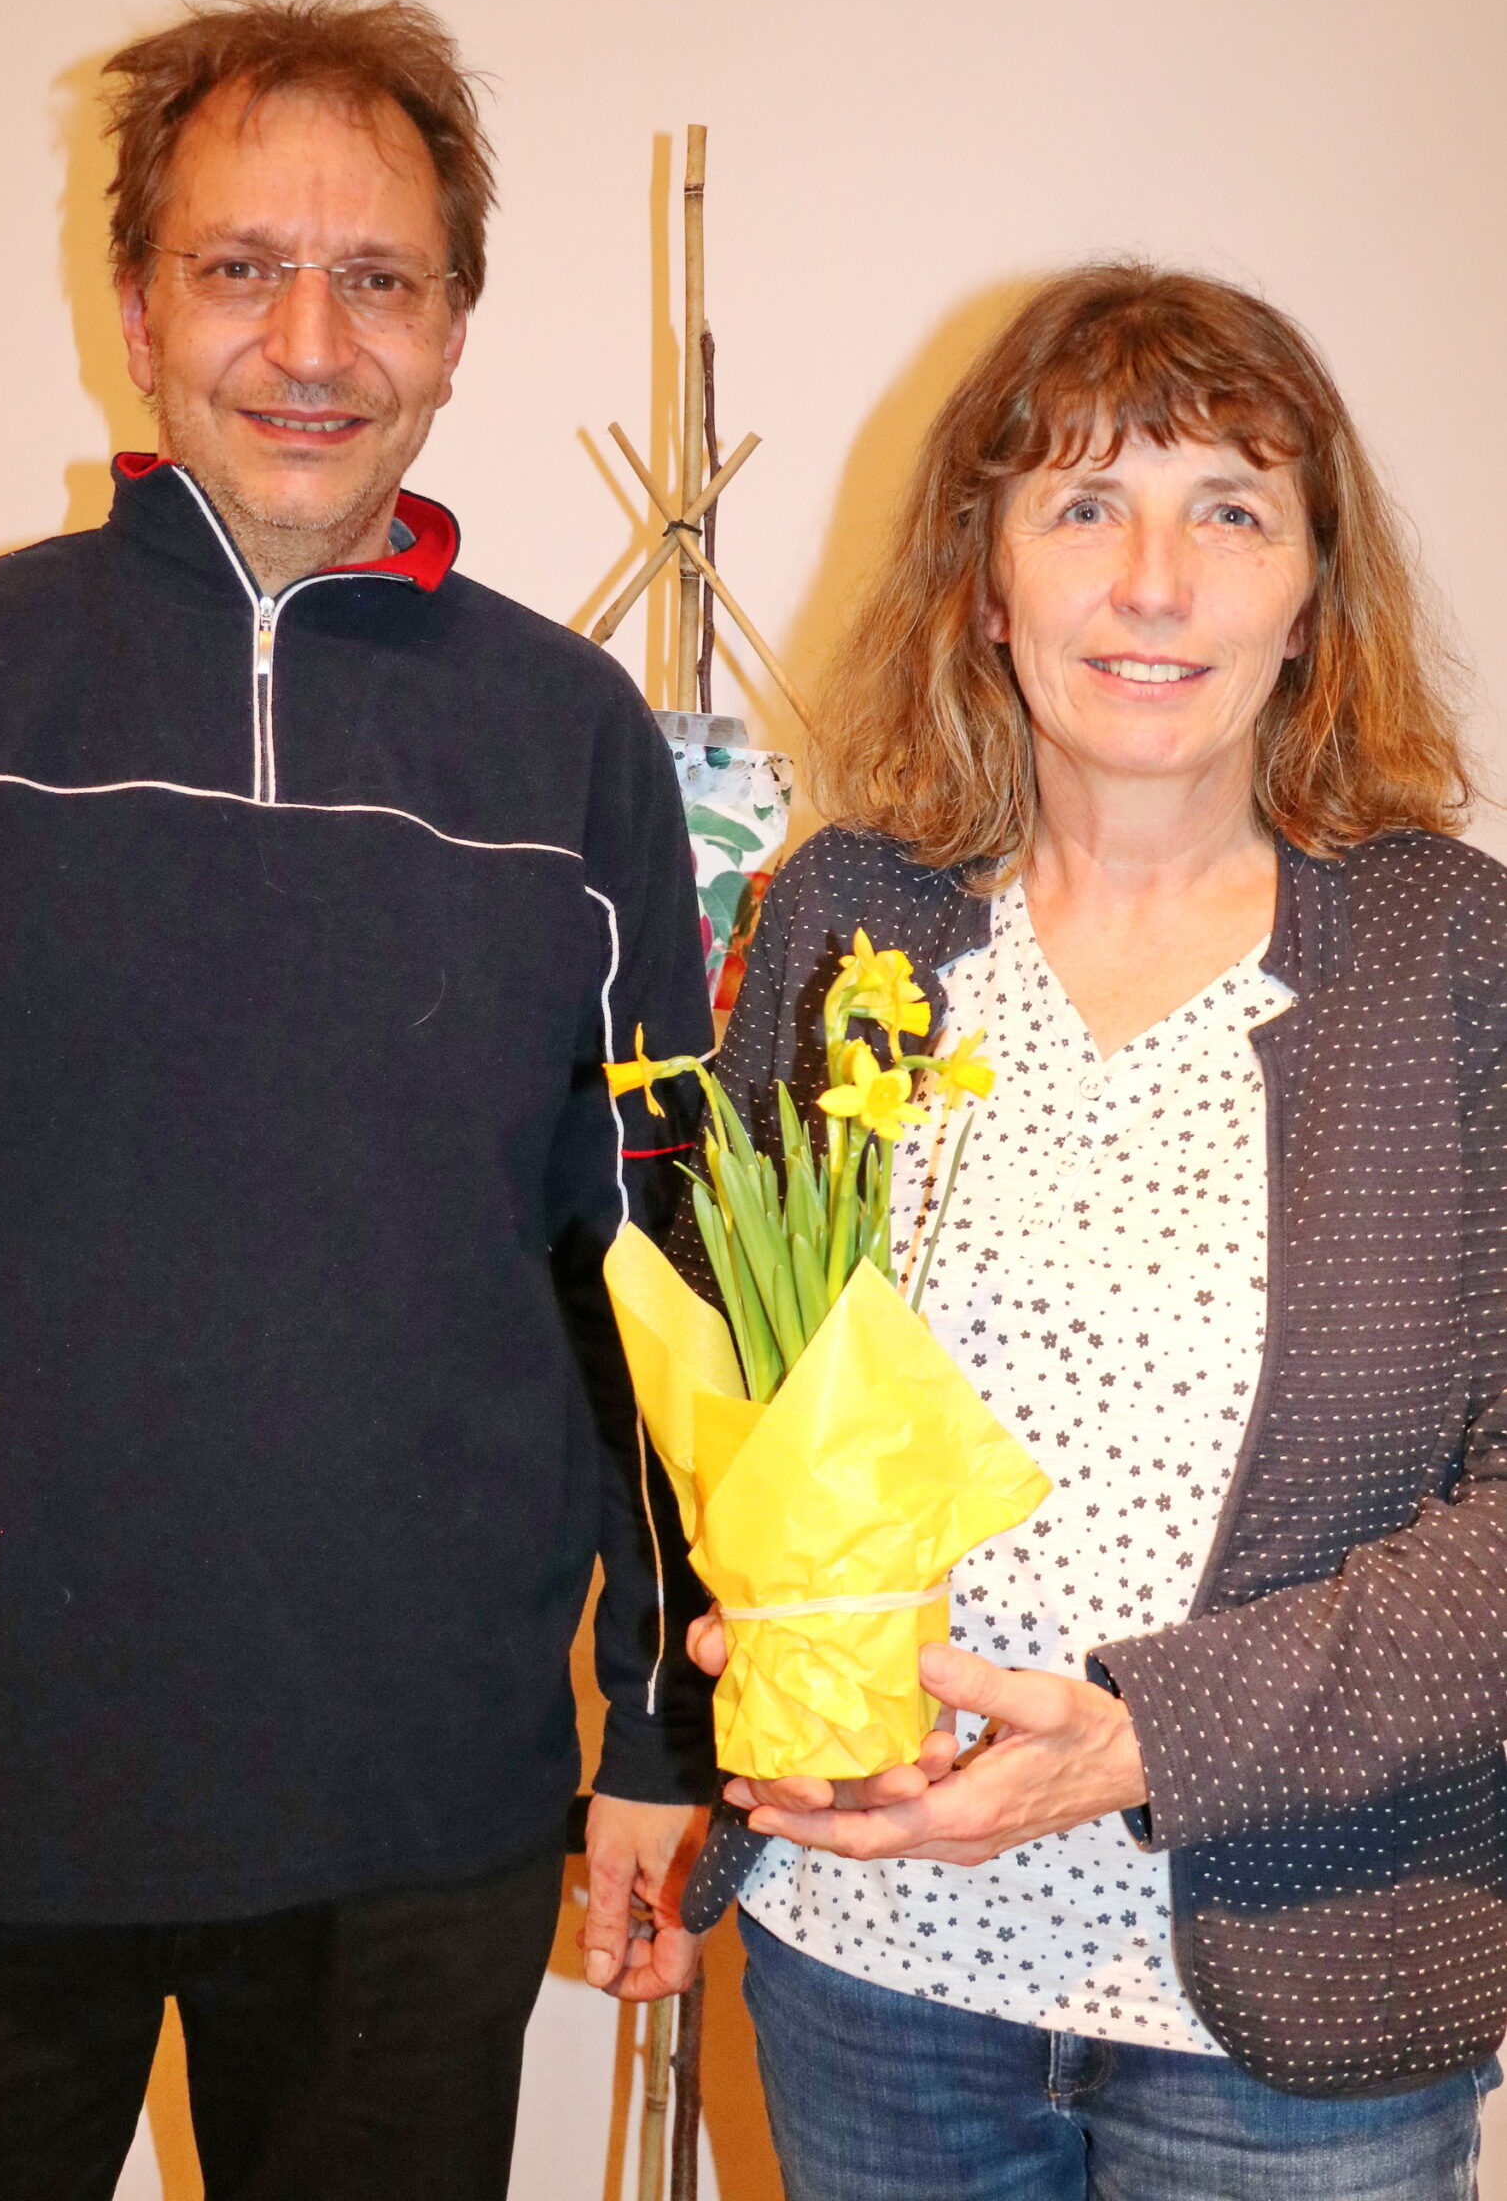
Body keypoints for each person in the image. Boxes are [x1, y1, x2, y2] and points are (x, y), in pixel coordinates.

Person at [0, 0, 712, 2199]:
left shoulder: (570, 741)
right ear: (135, 304)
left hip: (409, 1827)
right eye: (240, 268)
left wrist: (663, 1729)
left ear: (456, 325)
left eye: (378, 278)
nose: (311, 342)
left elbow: (654, 1275)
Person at [687, 264, 1507, 2199]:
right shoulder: (849, 920)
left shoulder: (1455, 959)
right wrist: (740, 1634)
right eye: (1081, 507)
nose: (1154, 584)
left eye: (1229, 510)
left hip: (1295, 2007)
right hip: (870, 1966)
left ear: (1311, 590)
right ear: (985, 581)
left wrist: (1151, 1739)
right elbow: (728, 1382)